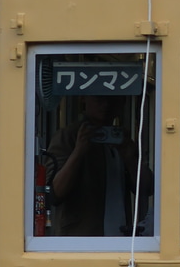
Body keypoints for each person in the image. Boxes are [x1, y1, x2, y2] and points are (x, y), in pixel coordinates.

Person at [46, 95, 150, 237]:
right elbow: (55, 193)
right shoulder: (68, 136)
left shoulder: (120, 138)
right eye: (99, 99)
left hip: (118, 236)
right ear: (84, 99)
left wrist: (130, 158)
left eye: (113, 99)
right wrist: (79, 152)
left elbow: (147, 188)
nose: (106, 105)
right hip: (80, 239)